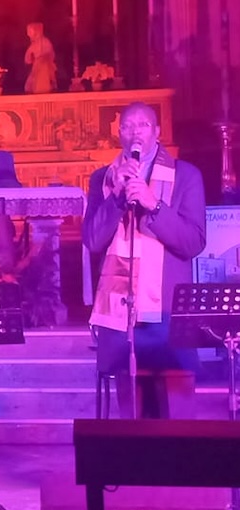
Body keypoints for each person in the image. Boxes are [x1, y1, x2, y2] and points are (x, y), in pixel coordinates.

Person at [83, 101, 207, 419]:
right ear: (119, 134)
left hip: (166, 311)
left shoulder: (186, 176)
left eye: (143, 125)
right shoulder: (103, 179)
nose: (135, 132)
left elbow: (193, 243)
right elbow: (93, 240)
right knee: (133, 417)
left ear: (157, 132)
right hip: (121, 312)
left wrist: (155, 206)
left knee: (177, 417)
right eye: (127, 126)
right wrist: (116, 197)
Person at [24, 22, 57, 94]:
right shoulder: (33, 45)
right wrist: (32, 58)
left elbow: (50, 55)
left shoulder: (45, 42)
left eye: (30, 32)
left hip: (44, 70)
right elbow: (28, 59)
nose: (29, 35)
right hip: (36, 70)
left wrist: (42, 59)